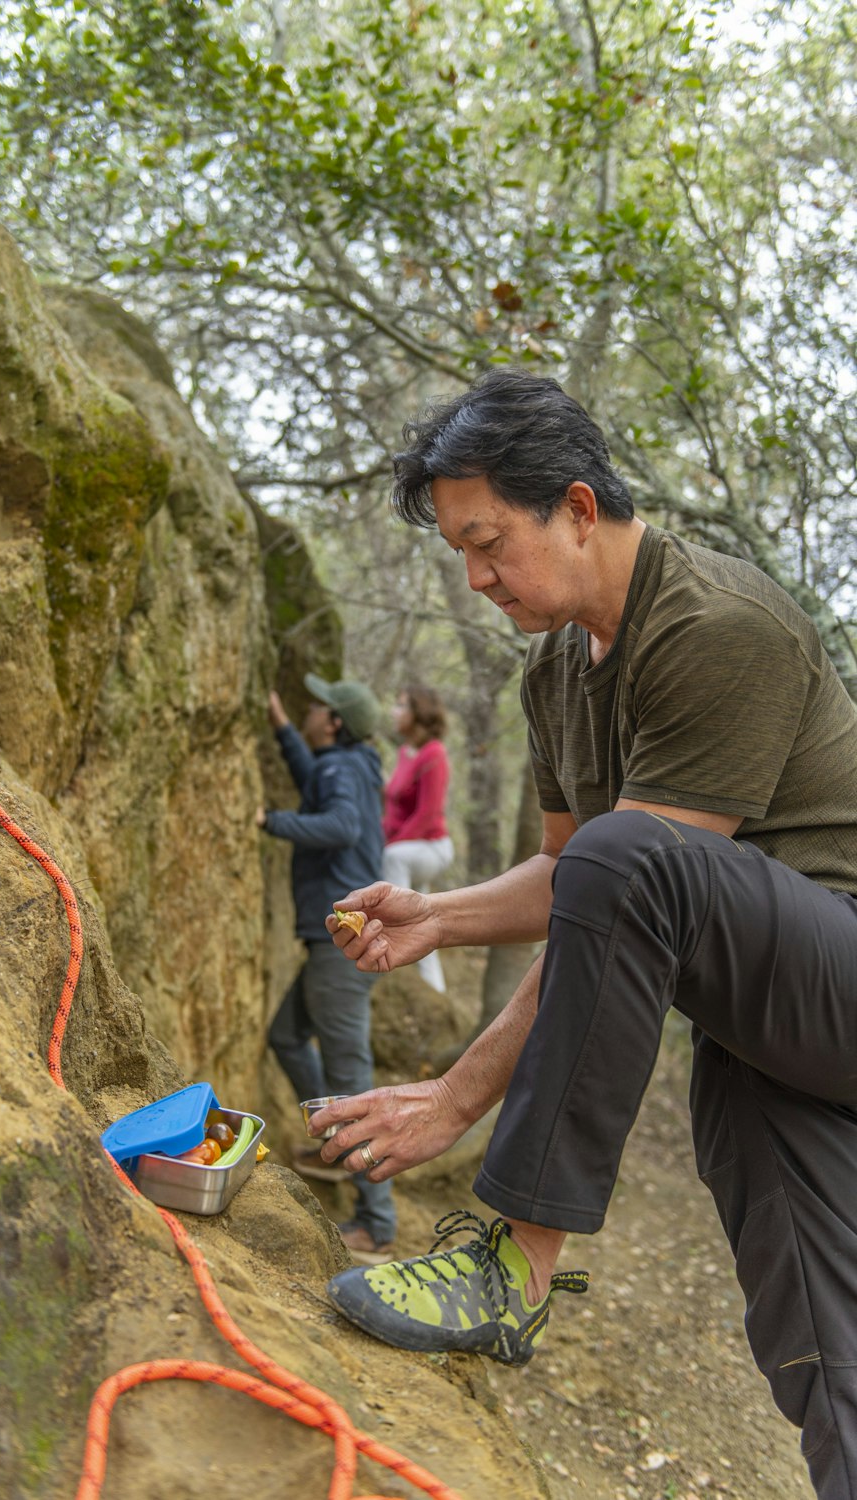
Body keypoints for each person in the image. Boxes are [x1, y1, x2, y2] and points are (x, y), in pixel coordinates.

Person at [306, 369, 857, 1499]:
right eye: (458, 551)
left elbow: (625, 877)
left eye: (488, 541)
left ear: (576, 505)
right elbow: (570, 875)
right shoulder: (557, 671)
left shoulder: (718, 627)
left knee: (624, 852)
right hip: (767, 1029)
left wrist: (456, 1098)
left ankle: (515, 1267)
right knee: (819, 1342)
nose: (474, 577)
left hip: (839, 971)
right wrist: (440, 919)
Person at [259, 672, 398, 1265]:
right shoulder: (348, 766)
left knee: (350, 1075)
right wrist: (285, 730)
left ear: (335, 723)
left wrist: (271, 821)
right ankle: (333, 1142)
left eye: (317, 707)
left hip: (344, 942)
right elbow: (318, 782)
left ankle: (376, 1223)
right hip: (341, 940)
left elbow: (337, 825)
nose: (310, 709)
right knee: (286, 1035)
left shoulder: (341, 771)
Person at [382, 686, 454, 991]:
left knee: (392, 860)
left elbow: (427, 814)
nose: (394, 713)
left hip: (431, 847)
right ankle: (433, 989)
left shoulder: (433, 754)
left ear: (418, 714)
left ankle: (394, 939)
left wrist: (392, 844)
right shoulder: (405, 752)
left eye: (401, 707)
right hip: (409, 845)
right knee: (424, 917)